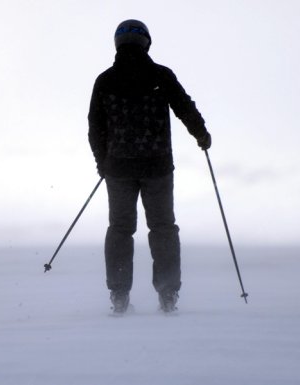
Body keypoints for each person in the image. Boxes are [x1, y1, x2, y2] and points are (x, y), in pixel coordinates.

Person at [88, 19, 211, 314]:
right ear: (146, 42)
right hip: (157, 166)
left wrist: (102, 162)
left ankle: (119, 295)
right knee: (163, 228)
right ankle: (168, 294)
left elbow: (95, 128)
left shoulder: (105, 80)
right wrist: (202, 135)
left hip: (117, 169)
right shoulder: (160, 75)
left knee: (120, 228)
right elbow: (185, 107)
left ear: (118, 43)